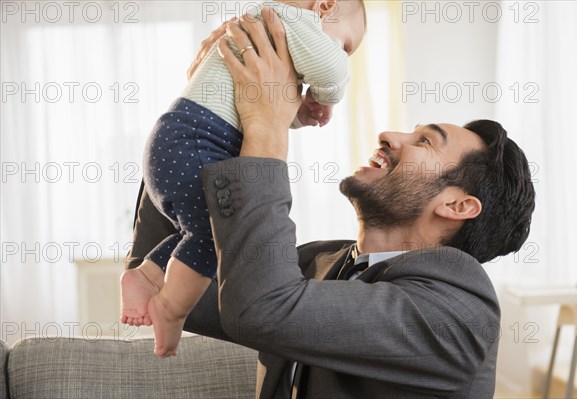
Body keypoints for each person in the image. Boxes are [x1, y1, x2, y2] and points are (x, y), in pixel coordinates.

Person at [124, 7, 536, 398]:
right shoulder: (321, 263)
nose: (390, 136)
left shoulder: (458, 311)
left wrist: (267, 128)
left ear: (458, 206)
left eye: (424, 142)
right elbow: (158, 275)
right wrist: (203, 110)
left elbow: (263, 309)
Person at [120, 0, 367, 357]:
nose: (343, 54)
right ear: (325, 7)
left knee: (198, 229)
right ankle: (170, 308)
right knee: (218, 231)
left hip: (182, 137)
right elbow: (331, 71)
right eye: (346, 45)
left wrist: (301, 112)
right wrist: (326, 95)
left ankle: (147, 274)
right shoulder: (292, 20)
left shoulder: (268, 34)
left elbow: (268, 107)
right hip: (196, 138)